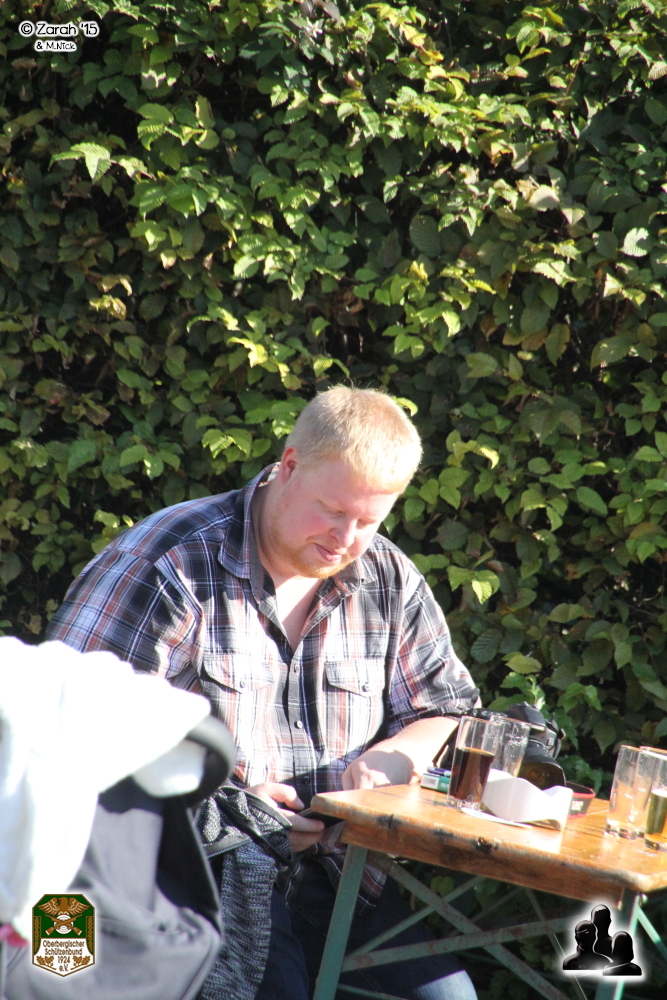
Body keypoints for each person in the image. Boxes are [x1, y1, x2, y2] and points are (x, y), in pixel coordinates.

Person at [47, 386, 479, 1000]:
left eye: (369, 521)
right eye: (333, 510)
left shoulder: (387, 577)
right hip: (186, 876)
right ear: (290, 465)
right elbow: (63, 741)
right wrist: (231, 811)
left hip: (338, 877)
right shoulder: (169, 564)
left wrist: (394, 757)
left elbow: (449, 709)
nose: (346, 538)